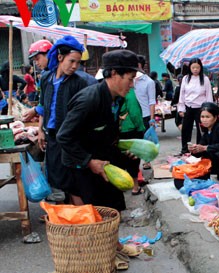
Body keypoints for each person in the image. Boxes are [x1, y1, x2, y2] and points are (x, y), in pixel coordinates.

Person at [56, 49, 143, 269]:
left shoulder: (115, 99)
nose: (131, 85)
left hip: (102, 158)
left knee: (113, 206)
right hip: (80, 162)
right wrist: (89, 162)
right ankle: (102, 254)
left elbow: (106, 133)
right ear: (114, 73)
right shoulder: (89, 99)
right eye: (130, 79)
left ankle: (114, 246)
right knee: (94, 213)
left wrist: (126, 150)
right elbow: (63, 136)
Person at [36, 36, 88, 204]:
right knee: (57, 180)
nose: (74, 66)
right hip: (52, 137)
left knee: (74, 182)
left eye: (78, 63)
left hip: (70, 139)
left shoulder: (79, 83)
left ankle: (80, 222)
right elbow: (43, 105)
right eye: (71, 61)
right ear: (60, 57)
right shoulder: (46, 79)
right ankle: (64, 221)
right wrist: (40, 130)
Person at [177, 58, 213, 154]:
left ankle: (199, 150)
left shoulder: (205, 79)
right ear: (190, 68)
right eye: (193, 68)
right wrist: (181, 109)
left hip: (201, 108)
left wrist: (209, 110)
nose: (195, 70)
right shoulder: (185, 78)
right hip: (188, 107)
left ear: (201, 68)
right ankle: (185, 149)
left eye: (197, 67)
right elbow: (182, 94)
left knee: (201, 130)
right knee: (185, 129)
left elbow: (209, 95)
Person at [119, 87, 146, 195]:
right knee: (133, 159)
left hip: (118, 130)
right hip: (131, 129)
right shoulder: (128, 91)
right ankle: (135, 187)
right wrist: (141, 128)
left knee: (120, 158)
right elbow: (134, 112)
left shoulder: (111, 92)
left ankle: (121, 186)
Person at [134, 55, 156, 131]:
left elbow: (152, 101)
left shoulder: (149, 82)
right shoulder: (130, 80)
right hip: (132, 116)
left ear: (139, 65)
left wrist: (152, 119)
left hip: (145, 115)